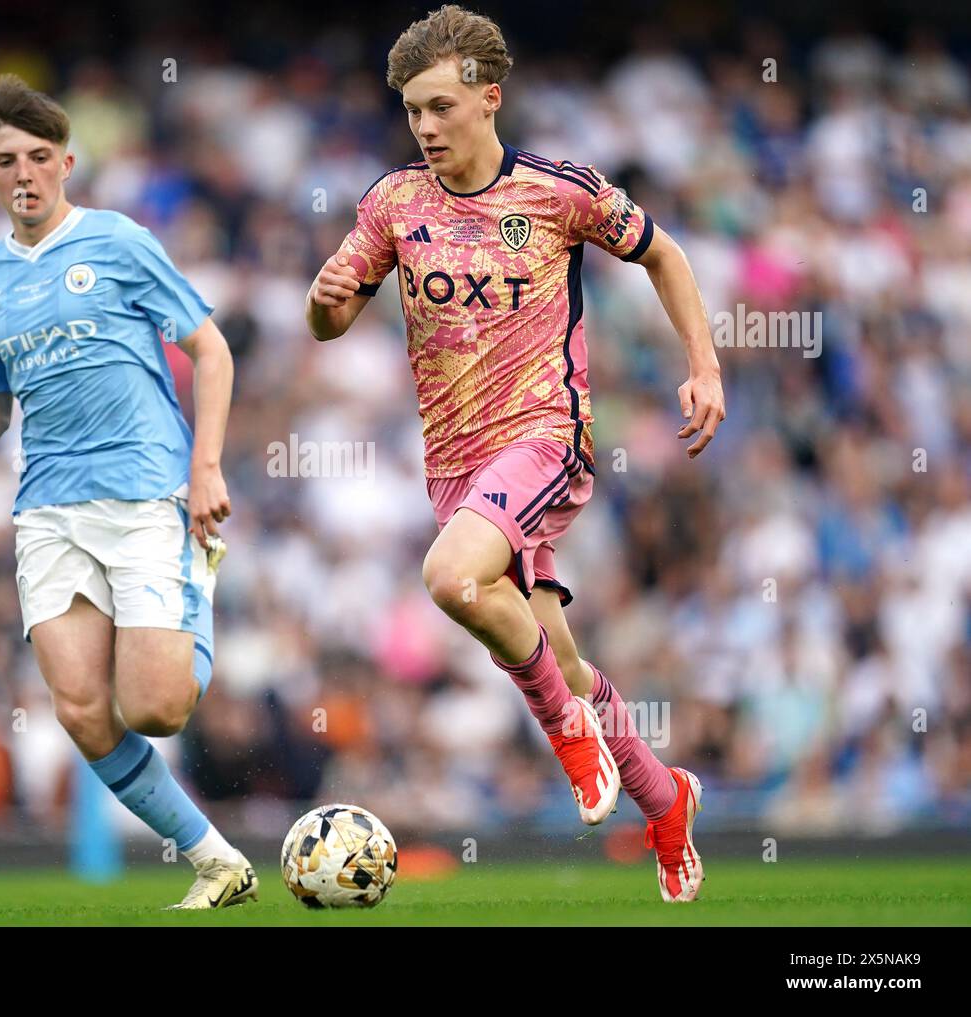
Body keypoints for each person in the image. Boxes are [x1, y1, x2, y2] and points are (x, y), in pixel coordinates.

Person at [305, 6, 725, 901]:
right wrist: (324, 297)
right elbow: (331, 322)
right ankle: (665, 798)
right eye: (413, 111)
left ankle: (569, 736)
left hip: (546, 437)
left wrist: (703, 366)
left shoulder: (557, 192)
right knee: (555, 652)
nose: (425, 128)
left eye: (441, 108)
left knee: (451, 579)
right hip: (456, 465)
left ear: (488, 99)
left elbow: (666, 255)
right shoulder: (392, 203)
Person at [0, 75, 256, 910]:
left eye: (39, 157)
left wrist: (207, 467)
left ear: (67, 163)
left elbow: (213, 349)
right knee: (83, 711)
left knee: (154, 708)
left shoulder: (119, 242)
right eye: (5, 159)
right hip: (47, 508)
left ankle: (203, 572)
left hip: (147, 487)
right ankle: (217, 861)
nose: (24, 173)